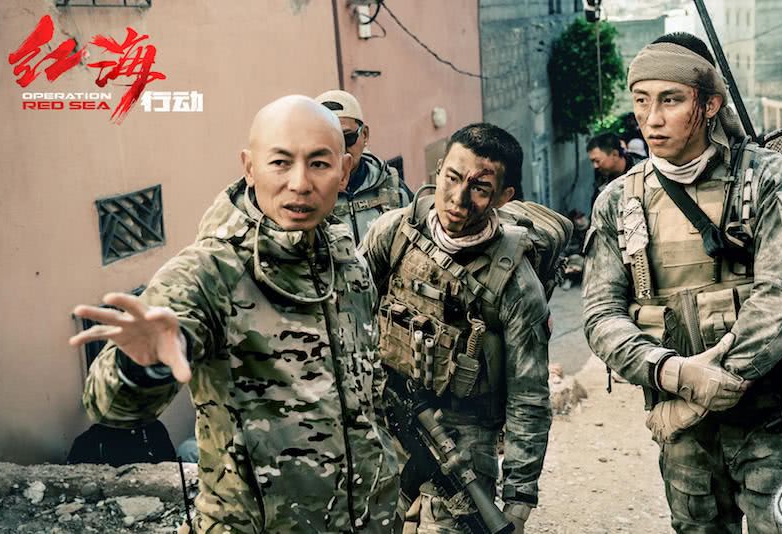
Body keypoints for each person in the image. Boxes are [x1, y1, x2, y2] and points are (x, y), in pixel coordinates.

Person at [70, 96, 398, 533]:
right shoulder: (209, 272)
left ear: (344, 171)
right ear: (249, 167)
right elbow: (110, 407)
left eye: (319, 164)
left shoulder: (345, 260)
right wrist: (142, 365)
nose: (300, 183)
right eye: (280, 163)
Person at [583, 33, 782, 532]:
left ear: (709, 105)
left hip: (776, 419)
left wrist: (711, 383)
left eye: (670, 100)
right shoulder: (619, 201)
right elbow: (600, 315)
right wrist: (672, 373)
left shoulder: (768, 178)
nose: (652, 119)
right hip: (685, 433)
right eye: (641, 101)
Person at [359, 123, 552, 534]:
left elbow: (529, 395)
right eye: (452, 177)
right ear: (438, 169)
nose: (458, 199)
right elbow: (349, 315)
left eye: (480, 188)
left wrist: (519, 497)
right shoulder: (394, 233)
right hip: (387, 411)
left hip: (463, 435)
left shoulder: (516, 284)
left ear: (504, 197)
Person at [317, 89, 411, 245]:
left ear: (364, 134)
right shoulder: (309, 195)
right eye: (328, 141)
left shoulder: (391, 185)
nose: (340, 149)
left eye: (348, 137)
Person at [587, 132, 645, 211]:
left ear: (615, 154)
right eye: (592, 161)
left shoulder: (643, 168)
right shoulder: (601, 178)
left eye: (597, 161)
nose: (595, 166)